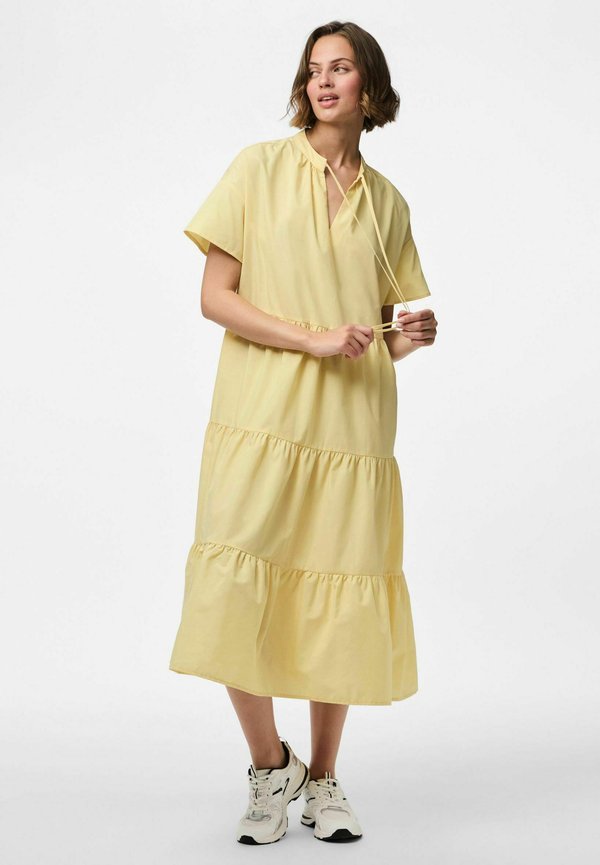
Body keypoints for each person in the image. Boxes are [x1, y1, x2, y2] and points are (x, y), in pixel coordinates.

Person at [169, 20, 438, 845]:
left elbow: (373, 334)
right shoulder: (257, 168)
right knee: (231, 587)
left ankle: (323, 778)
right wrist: (312, 338)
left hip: (351, 430)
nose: (323, 81)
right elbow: (216, 297)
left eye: (341, 68)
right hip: (260, 415)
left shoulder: (387, 203)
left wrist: (408, 339)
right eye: (314, 69)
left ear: (369, 87)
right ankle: (269, 765)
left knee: (339, 596)